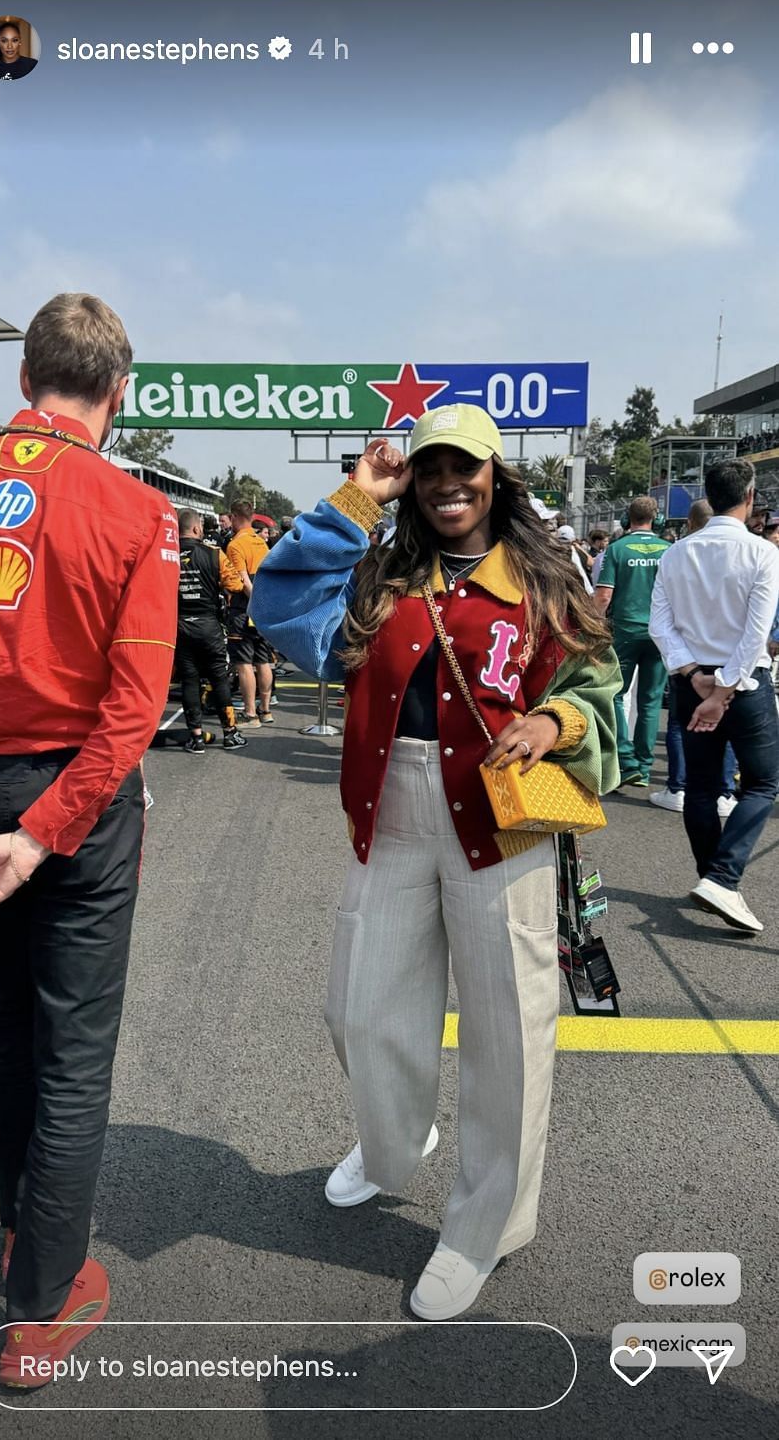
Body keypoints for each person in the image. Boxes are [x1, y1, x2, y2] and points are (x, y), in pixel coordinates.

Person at [251, 403, 620, 1321]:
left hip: (505, 815)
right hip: (394, 805)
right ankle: (392, 1142)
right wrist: (352, 500)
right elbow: (282, 614)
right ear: (410, 476)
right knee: (359, 1009)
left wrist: (554, 720)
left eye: (467, 467)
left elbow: (599, 680)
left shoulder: (542, 572)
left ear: (497, 474)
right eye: (430, 468)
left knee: (509, 1038)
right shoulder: (381, 567)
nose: (450, 483)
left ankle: (483, 1227)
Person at [0, 293, 179, 1387]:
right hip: (77, 804)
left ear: (26, 375)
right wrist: (46, 833)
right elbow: (134, 710)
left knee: (11, 1015)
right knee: (72, 1046)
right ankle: (39, 1303)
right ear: (117, 392)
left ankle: (17, 1230)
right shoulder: (138, 511)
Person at [649, 459, 779, 933]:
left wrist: (694, 675)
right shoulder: (763, 553)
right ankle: (722, 879)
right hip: (742, 687)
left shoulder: (676, 553)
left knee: (701, 788)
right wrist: (722, 689)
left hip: (693, 682)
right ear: (749, 498)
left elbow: (659, 625)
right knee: (762, 783)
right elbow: (755, 632)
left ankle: (714, 878)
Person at [648, 500, 736, 818]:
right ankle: (724, 791)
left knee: (678, 724)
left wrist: (688, 668)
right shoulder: (745, 552)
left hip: (687, 663)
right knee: (723, 725)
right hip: (730, 661)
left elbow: (661, 621)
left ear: (689, 521)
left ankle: (678, 787)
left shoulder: (677, 554)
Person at [593, 496, 670, 788]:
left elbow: (603, 596)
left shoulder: (616, 549)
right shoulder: (670, 550)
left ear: (627, 520)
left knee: (615, 694)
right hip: (660, 633)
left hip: (624, 631)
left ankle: (625, 761)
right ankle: (645, 766)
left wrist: (591, 626)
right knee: (650, 700)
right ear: (657, 520)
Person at [176, 510, 248, 753]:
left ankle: (195, 737)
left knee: (189, 680)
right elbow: (235, 585)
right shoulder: (214, 553)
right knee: (219, 677)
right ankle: (230, 733)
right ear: (197, 529)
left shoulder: (165, 555)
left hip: (179, 625)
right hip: (208, 625)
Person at [225, 498, 275, 728]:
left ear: (234, 517)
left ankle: (250, 713)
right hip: (264, 605)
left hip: (245, 609)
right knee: (263, 660)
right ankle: (265, 710)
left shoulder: (235, 545)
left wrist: (255, 605)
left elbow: (244, 581)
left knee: (244, 662)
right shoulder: (261, 543)